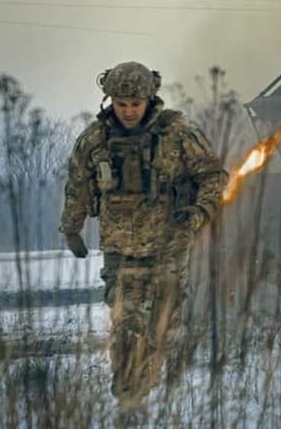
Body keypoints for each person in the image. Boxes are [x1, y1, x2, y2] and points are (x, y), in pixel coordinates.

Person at [59, 61, 227, 409]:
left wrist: (198, 214)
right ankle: (128, 396)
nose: (129, 111)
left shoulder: (178, 133)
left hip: (169, 248)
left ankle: (144, 385)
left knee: (161, 329)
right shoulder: (95, 139)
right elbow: (77, 186)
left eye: (135, 104)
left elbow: (213, 177)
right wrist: (72, 229)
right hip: (121, 251)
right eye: (121, 104)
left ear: (149, 99)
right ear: (111, 101)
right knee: (125, 325)